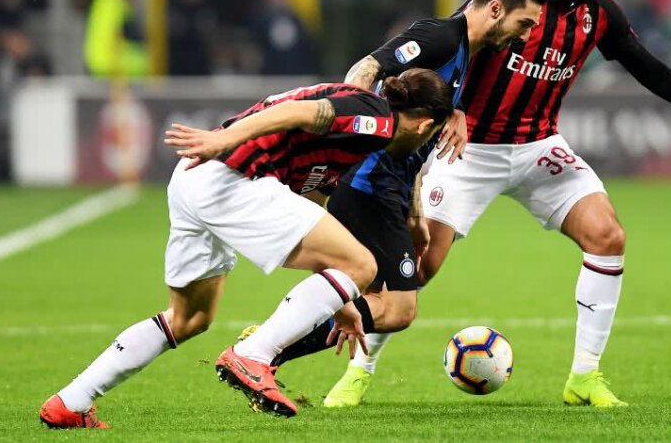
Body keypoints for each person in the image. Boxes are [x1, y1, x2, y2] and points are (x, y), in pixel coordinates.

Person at [323, 0, 671, 409]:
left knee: (608, 235)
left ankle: (585, 378)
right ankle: (359, 369)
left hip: (539, 146)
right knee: (418, 268)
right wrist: (452, 110)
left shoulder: (599, 15)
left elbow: (649, 69)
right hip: (470, 151)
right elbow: (451, 47)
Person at [38, 69, 454, 428]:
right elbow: (299, 113)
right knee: (362, 264)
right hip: (230, 175)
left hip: (194, 181)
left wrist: (339, 300)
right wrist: (226, 141)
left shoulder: (360, 139)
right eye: (432, 135)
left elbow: (317, 212)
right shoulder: (376, 118)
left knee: (189, 317)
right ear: (424, 126)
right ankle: (253, 354)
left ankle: (69, 402)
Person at [236, 0, 547, 380]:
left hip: (389, 185)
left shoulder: (463, 55)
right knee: (397, 306)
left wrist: (415, 211)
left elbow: (411, 145)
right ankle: (264, 348)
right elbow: (365, 70)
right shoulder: (439, 36)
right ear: (495, 9)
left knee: (377, 296)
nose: (526, 36)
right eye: (525, 23)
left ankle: (265, 347)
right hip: (368, 181)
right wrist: (350, 143)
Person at [84, 0, 148, 78]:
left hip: (106, 69)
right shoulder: (114, 5)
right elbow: (116, 37)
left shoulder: (107, 1)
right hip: (111, 71)